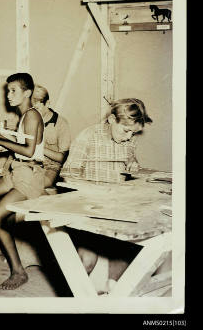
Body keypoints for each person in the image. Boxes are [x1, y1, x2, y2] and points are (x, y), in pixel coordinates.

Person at [59, 98, 153, 292]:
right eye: (126, 131)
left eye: (133, 133)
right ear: (111, 119)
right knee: (87, 261)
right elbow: (68, 176)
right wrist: (95, 191)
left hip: (116, 206)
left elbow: (129, 157)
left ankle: (113, 292)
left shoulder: (128, 138)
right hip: (88, 207)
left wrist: (133, 164)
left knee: (128, 250)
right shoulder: (87, 136)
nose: (129, 137)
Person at [0, 73, 45, 290]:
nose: (8, 95)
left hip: (29, 177)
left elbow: (29, 150)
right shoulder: (24, 116)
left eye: (13, 90)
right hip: (15, 172)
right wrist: (0, 136)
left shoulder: (32, 116)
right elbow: (21, 144)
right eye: (8, 90)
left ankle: (18, 271)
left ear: (28, 93)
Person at [31, 85, 71, 188]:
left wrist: (39, 148)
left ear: (47, 104)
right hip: (31, 163)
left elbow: (63, 158)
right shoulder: (30, 119)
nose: (33, 113)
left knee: (34, 186)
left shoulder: (61, 123)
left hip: (52, 167)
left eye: (37, 108)